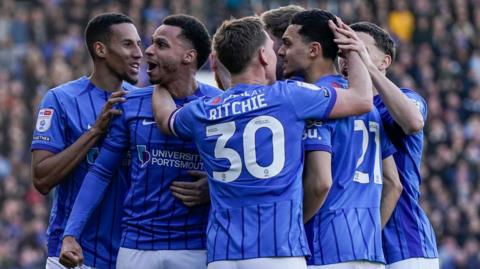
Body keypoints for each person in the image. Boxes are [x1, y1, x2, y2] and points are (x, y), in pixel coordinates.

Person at [152, 15, 373, 269]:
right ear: (262, 56)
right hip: (278, 249)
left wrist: (160, 85)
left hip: (222, 252)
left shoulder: (201, 111)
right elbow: (362, 99)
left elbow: (165, 119)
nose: (278, 52)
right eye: (272, 48)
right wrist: (352, 49)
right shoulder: (289, 96)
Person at [59, 14, 221, 269]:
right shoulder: (131, 104)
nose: (147, 50)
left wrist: (214, 188)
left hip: (196, 247)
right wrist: (71, 234)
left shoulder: (219, 104)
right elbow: (101, 172)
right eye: (152, 43)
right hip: (137, 247)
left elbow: (243, 173)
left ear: (188, 56)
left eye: (161, 45)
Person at [279, 10, 402, 268]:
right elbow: (393, 183)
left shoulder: (319, 101)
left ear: (314, 50)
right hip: (369, 251)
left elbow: (321, 183)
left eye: (287, 43)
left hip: (325, 246)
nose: (280, 51)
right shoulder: (368, 107)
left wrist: (287, 229)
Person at [30, 13, 142, 269]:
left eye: (138, 44)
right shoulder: (60, 99)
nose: (139, 53)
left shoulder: (143, 103)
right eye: (128, 44)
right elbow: (42, 179)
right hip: (73, 255)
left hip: (130, 256)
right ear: (100, 49)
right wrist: (95, 132)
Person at [336, 21, 439, 269]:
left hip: (405, 245)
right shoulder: (338, 106)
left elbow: (413, 122)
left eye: (358, 48)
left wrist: (366, 67)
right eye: (343, 51)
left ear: (384, 62)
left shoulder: (408, 99)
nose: (349, 56)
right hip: (356, 248)